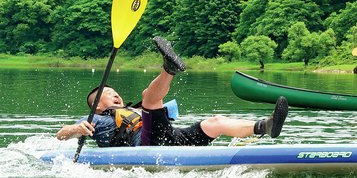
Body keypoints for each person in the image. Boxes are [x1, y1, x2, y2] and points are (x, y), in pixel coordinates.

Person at [56, 36, 289, 147]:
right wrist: (76, 129)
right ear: (97, 105)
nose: (116, 95)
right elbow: (62, 134)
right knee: (149, 97)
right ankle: (169, 68)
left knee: (215, 122)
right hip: (146, 145)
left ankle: (264, 127)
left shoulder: (128, 110)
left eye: (116, 91)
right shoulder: (97, 119)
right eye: (108, 93)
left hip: (169, 136)